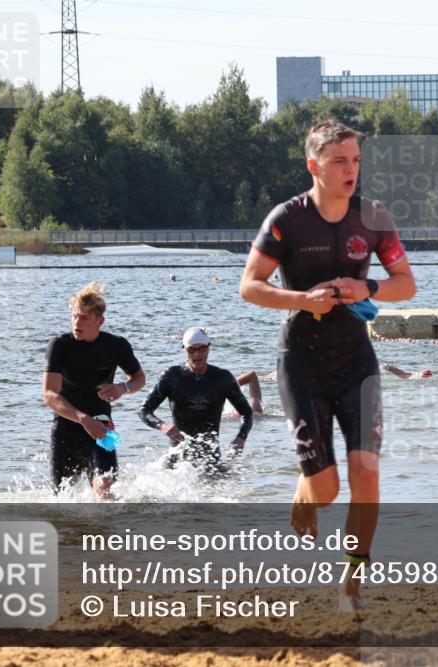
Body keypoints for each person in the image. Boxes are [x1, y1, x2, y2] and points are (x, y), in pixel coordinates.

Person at [239, 120, 417, 612]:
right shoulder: (287, 219)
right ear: (314, 166)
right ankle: (306, 486)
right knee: (327, 488)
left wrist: (370, 288)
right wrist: (303, 299)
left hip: (357, 359)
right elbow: (250, 284)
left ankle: (351, 587)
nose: (351, 169)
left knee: (367, 475)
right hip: (301, 363)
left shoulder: (374, 217)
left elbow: (405, 282)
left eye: (356, 160)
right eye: (340, 161)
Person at [43, 283, 145, 499]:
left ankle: (106, 532)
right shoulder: (59, 345)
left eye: (84, 318)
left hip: (101, 426)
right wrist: (82, 419)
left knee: (106, 487)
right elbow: (50, 395)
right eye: (74, 316)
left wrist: (122, 388)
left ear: (100, 321)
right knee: (62, 500)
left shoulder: (116, 345)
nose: (76, 323)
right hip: (66, 429)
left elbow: (139, 378)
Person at [138, 327, 256, 476]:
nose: (197, 354)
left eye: (202, 349)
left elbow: (247, 413)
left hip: (211, 459)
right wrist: (162, 426)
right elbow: (144, 410)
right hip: (178, 459)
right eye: (191, 349)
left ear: (209, 349)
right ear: (185, 350)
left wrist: (241, 437)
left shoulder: (223, 378)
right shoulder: (172, 376)